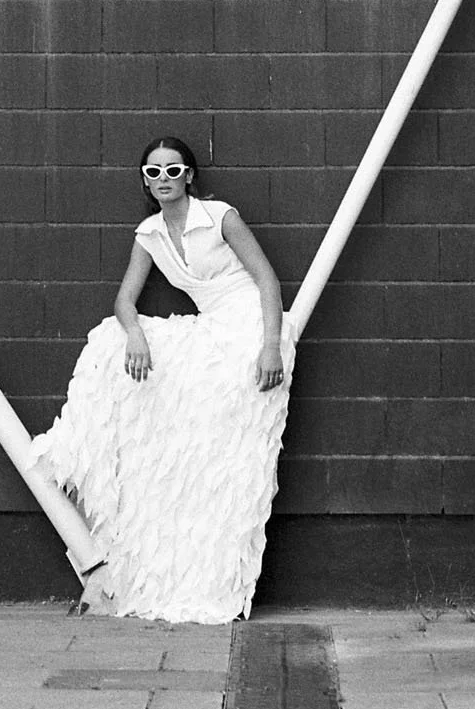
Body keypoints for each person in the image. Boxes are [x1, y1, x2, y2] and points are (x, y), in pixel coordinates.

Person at [31, 135, 294, 623]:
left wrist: (270, 345)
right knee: (111, 345)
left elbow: (268, 281)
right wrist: (134, 334)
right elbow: (124, 301)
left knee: (219, 445)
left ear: (189, 176)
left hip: (250, 324)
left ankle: (216, 565)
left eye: (174, 171)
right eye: (154, 173)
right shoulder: (149, 234)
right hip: (211, 325)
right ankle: (89, 474)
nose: (164, 180)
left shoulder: (220, 217)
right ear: (145, 182)